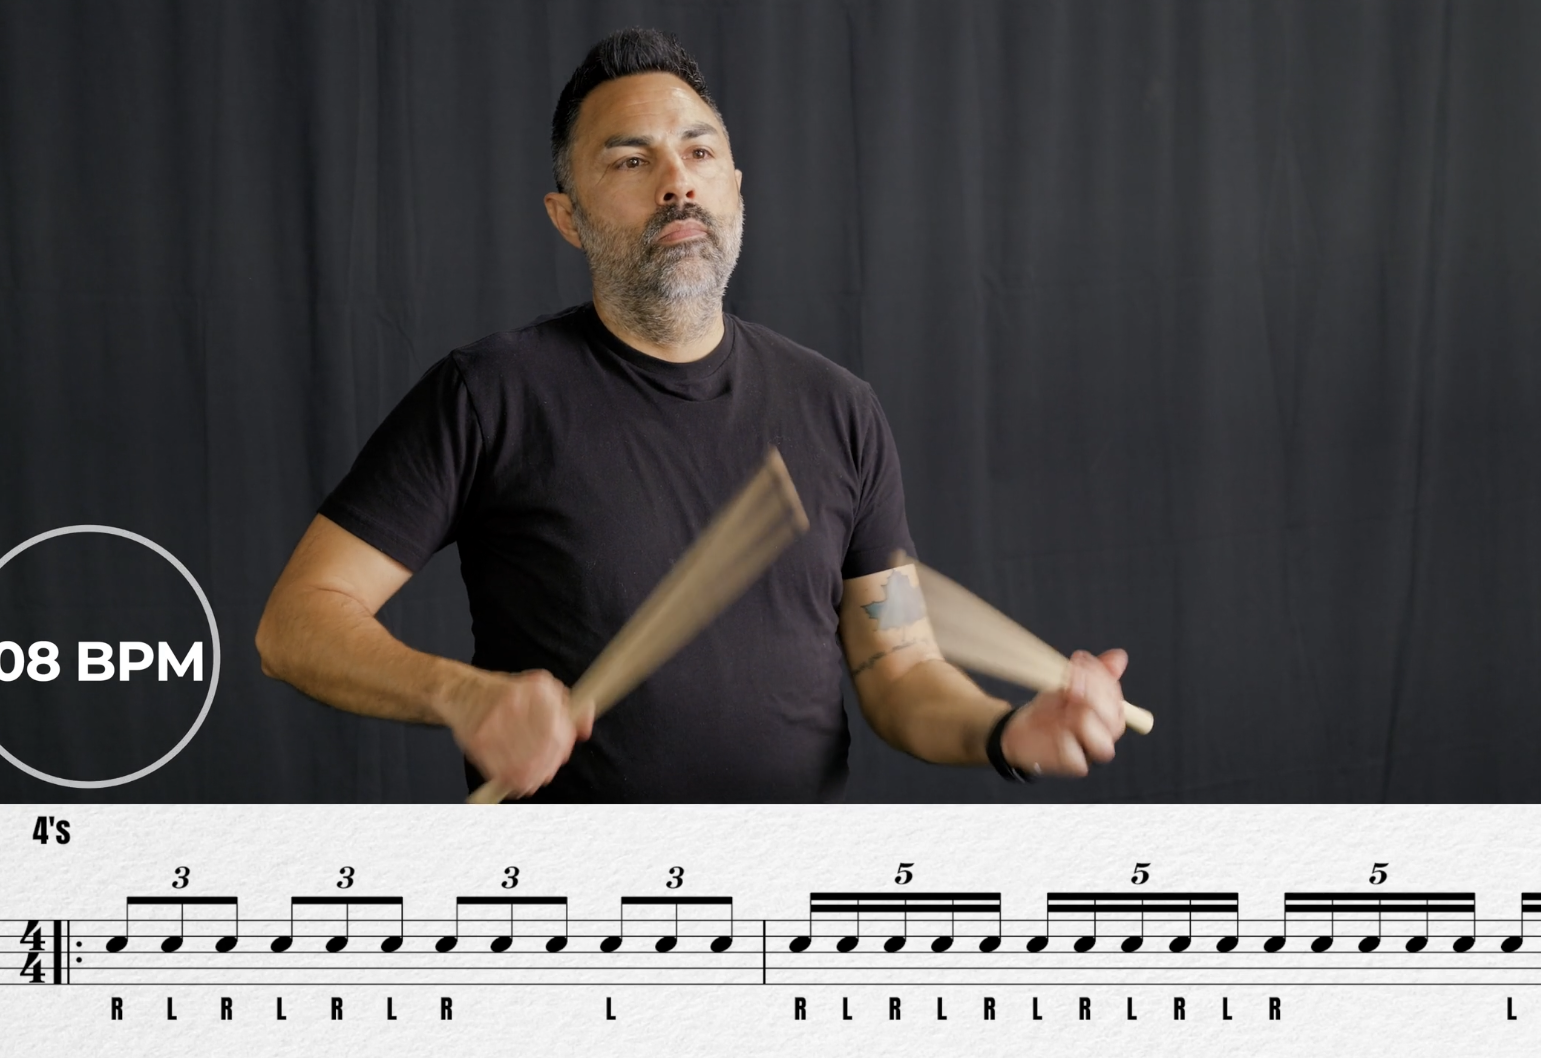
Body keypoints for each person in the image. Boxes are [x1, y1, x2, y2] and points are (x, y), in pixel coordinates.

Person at [254, 27, 1132, 801]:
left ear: (736, 188)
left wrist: (1007, 733)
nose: (677, 183)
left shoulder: (838, 409)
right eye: (630, 162)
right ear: (567, 217)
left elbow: (899, 669)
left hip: (783, 902)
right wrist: (461, 695)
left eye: (699, 153)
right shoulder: (490, 395)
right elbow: (295, 624)